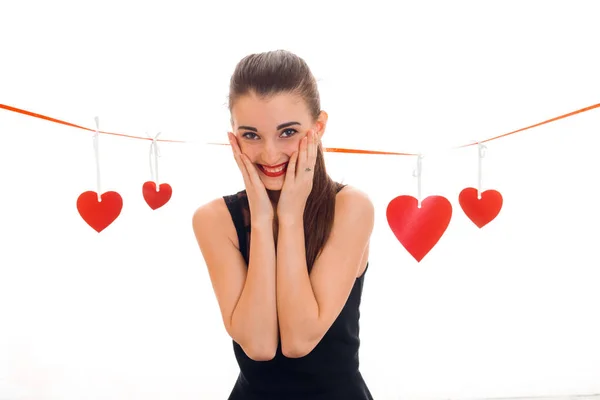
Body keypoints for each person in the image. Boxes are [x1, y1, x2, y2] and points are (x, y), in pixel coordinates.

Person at [192, 49, 375, 399]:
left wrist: (289, 216)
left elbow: (299, 340)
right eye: (251, 135)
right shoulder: (214, 220)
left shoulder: (351, 208)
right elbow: (259, 346)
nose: (270, 155)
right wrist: (262, 219)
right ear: (234, 135)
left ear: (317, 127)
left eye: (287, 132)